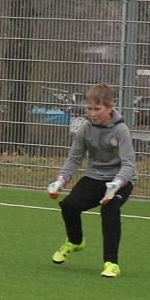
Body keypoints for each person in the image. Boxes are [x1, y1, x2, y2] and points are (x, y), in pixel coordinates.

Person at [47, 83, 137, 278]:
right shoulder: (85, 128)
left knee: (109, 209)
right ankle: (75, 241)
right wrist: (60, 181)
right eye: (89, 108)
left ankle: (111, 263)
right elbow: (74, 158)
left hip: (121, 180)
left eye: (97, 109)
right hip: (95, 177)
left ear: (110, 107)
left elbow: (129, 165)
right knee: (69, 205)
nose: (92, 113)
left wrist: (116, 184)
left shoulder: (121, 130)